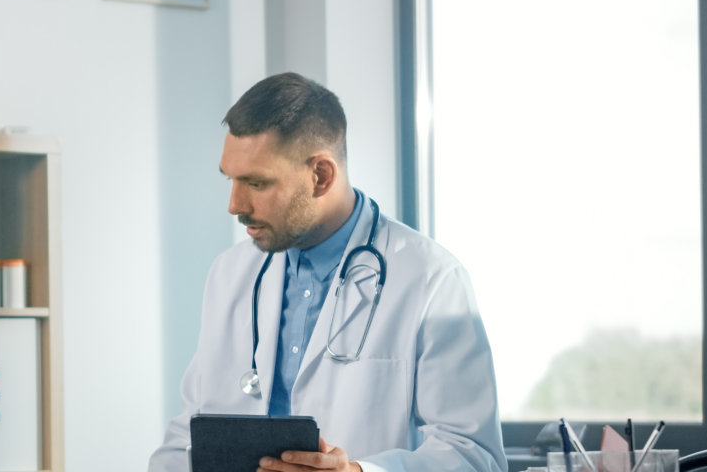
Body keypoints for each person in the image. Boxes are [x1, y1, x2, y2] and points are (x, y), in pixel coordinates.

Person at [150, 73, 506, 472]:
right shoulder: (230, 274)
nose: (235, 204)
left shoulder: (431, 279)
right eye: (231, 179)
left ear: (321, 175)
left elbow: (474, 455)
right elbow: (187, 436)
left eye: (257, 182)